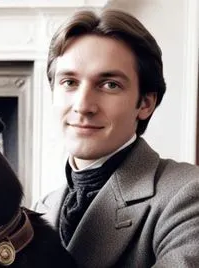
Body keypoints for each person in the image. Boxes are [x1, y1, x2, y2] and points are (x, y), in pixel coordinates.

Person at [33, 9, 199, 267]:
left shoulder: (188, 193)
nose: (83, 105)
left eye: (109, 84)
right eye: (69, 82)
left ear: (145, 103)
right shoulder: (43, 207)